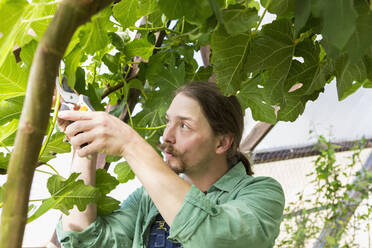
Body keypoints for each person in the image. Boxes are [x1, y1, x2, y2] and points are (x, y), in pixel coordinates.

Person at [56, 81, 285, 247]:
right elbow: (84, 239)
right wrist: (83, 142)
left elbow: (211, 236)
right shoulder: (147, 199)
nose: (166, 136)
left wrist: (130, 143)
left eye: (184, 125)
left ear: (222, 142)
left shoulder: (262, 195)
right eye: (168, 122)